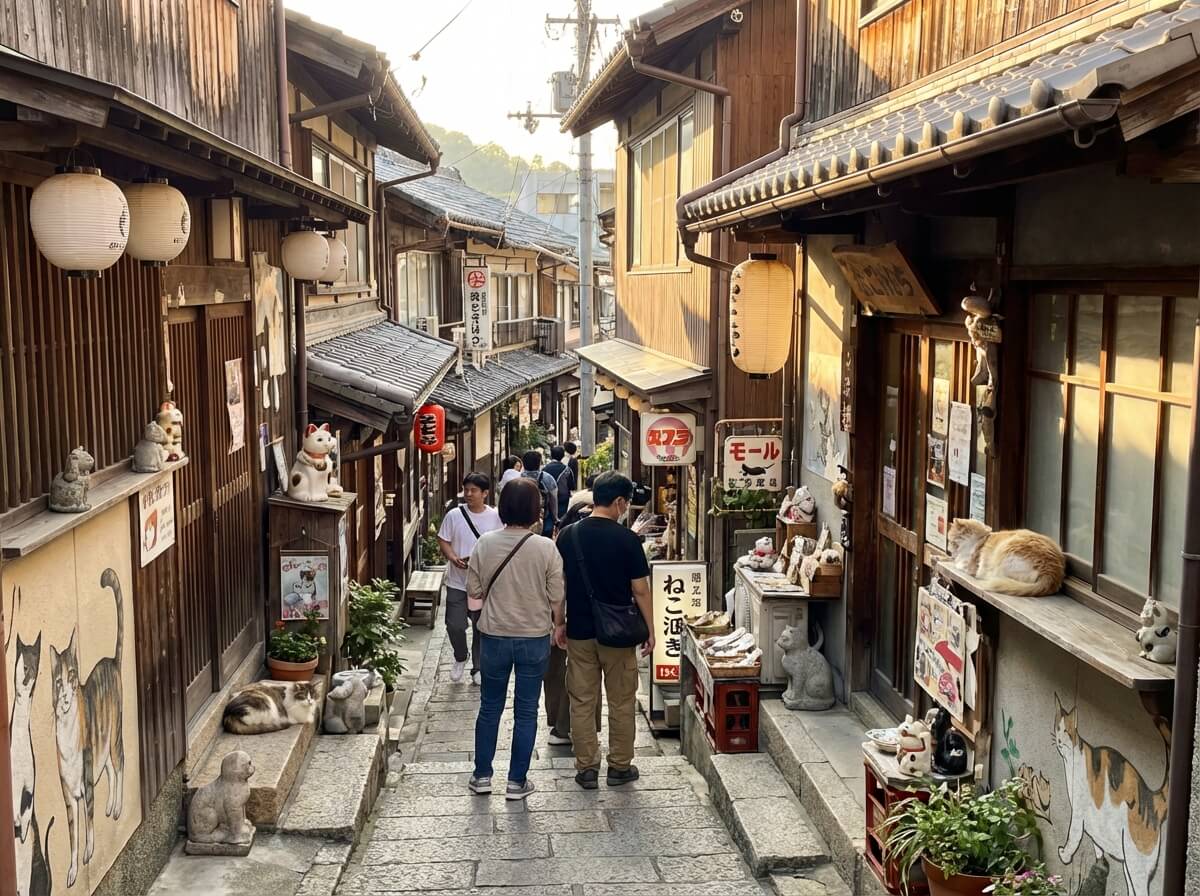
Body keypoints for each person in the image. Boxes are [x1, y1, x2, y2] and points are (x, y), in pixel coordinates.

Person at [466, 478, 564, 800]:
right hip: (534, 637)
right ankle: (516, 781)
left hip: (494, 635)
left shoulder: (485, 543)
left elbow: (475, 591)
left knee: (490, 707)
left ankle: (482, 776)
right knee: (526, 710)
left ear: (503, 506)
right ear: (537, 510)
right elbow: (556, 595)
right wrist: (558, 624)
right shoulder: (546, 548)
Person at [556, 471, 654, 790]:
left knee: (582, 700)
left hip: (580, 630)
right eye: (625, 503)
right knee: (621, 700)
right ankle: (619, 766)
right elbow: (640, 590)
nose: (626, 509)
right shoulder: (627, 540)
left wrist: (559, 622)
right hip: (618, 632)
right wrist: (651, 630)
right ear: (618, 502)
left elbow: (560, 586)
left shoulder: (568, 536)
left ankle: (586, 768)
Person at [542, 487, 599, 747]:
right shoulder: (599, 540)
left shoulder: (562, 540)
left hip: (560, 617)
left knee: (560, 673)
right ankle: (575, 726)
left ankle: (561, 725)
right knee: (580, 676)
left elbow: (555, 584)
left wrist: (557, 620)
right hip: (583, 620)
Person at [437, 472, 503, 684]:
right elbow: (443, 539)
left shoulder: (495, 517)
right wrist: (453, 557)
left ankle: (478, 668)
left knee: (480, 627)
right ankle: (460, 656)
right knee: (454, 625)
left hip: (483, 584)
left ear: (485, 493)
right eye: (466, 489)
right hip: (457, 581)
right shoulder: (454, 515)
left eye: (473, 490)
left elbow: (500, 545)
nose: (468, 494)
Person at [521, 450, 559, 537]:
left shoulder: (517, 479)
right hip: (544, 518)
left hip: (521, 521)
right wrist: (555, 518)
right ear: (539, 463)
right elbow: (553, 500)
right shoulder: (548, 478)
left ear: (523, 463)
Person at [543, 445, 574, 520]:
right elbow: (572, 486)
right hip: (563, 498)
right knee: (562, 518)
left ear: (551, 455)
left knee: (549, 518)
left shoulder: (544, 469)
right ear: (563, 455)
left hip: (548, 498)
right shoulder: (567, 469)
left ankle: (549, 530)